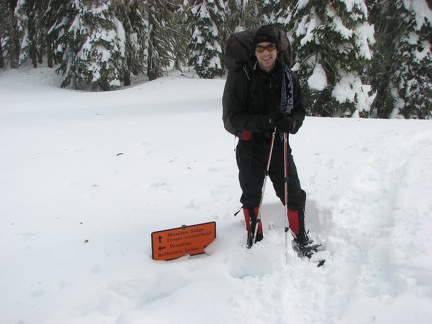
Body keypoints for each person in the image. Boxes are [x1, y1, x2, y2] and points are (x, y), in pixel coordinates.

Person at [222, 25, 313, 252]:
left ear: (278, 49)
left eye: (270, 47)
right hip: (250, 146)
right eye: (261, 48)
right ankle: (255, 239)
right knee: (252, 195)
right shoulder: (241, 78)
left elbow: (299, 109)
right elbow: (233, 117)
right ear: (254, 51)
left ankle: (300, 237)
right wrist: (266, 122)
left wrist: (292, 123)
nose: (266, 53)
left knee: (292, 192)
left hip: (279, 144)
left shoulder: (288, 78)